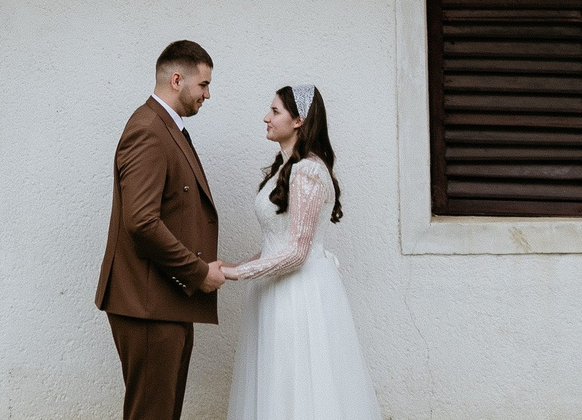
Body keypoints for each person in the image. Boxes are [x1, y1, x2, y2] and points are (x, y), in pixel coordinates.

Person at [216, 84, 384, 420]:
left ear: (299, 120)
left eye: (275, 111)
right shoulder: (284, 168)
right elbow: (275, 242)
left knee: (300, 384)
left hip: (299, 294)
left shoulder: (308, 170)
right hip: (275, 289)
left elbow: (296, 252)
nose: (266, 117)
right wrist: (235, 263)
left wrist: (236, 274)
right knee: (277, 384)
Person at [97, 40, 224, 420]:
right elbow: (142, 222)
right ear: (176, 79)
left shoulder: (168, 126)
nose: (207, 94)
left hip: (163, 300)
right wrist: (198, 273)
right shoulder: (149, 129)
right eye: (203, 85)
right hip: (146, 304)